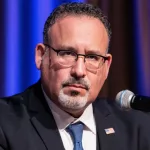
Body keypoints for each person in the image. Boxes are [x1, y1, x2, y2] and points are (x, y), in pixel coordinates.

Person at [0, 2, 150, 150]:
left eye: (92, 57)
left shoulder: (137, 128)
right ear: (41, 56)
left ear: (106, 67)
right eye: (67, 53)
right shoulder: (5, 123)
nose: (79, 71)